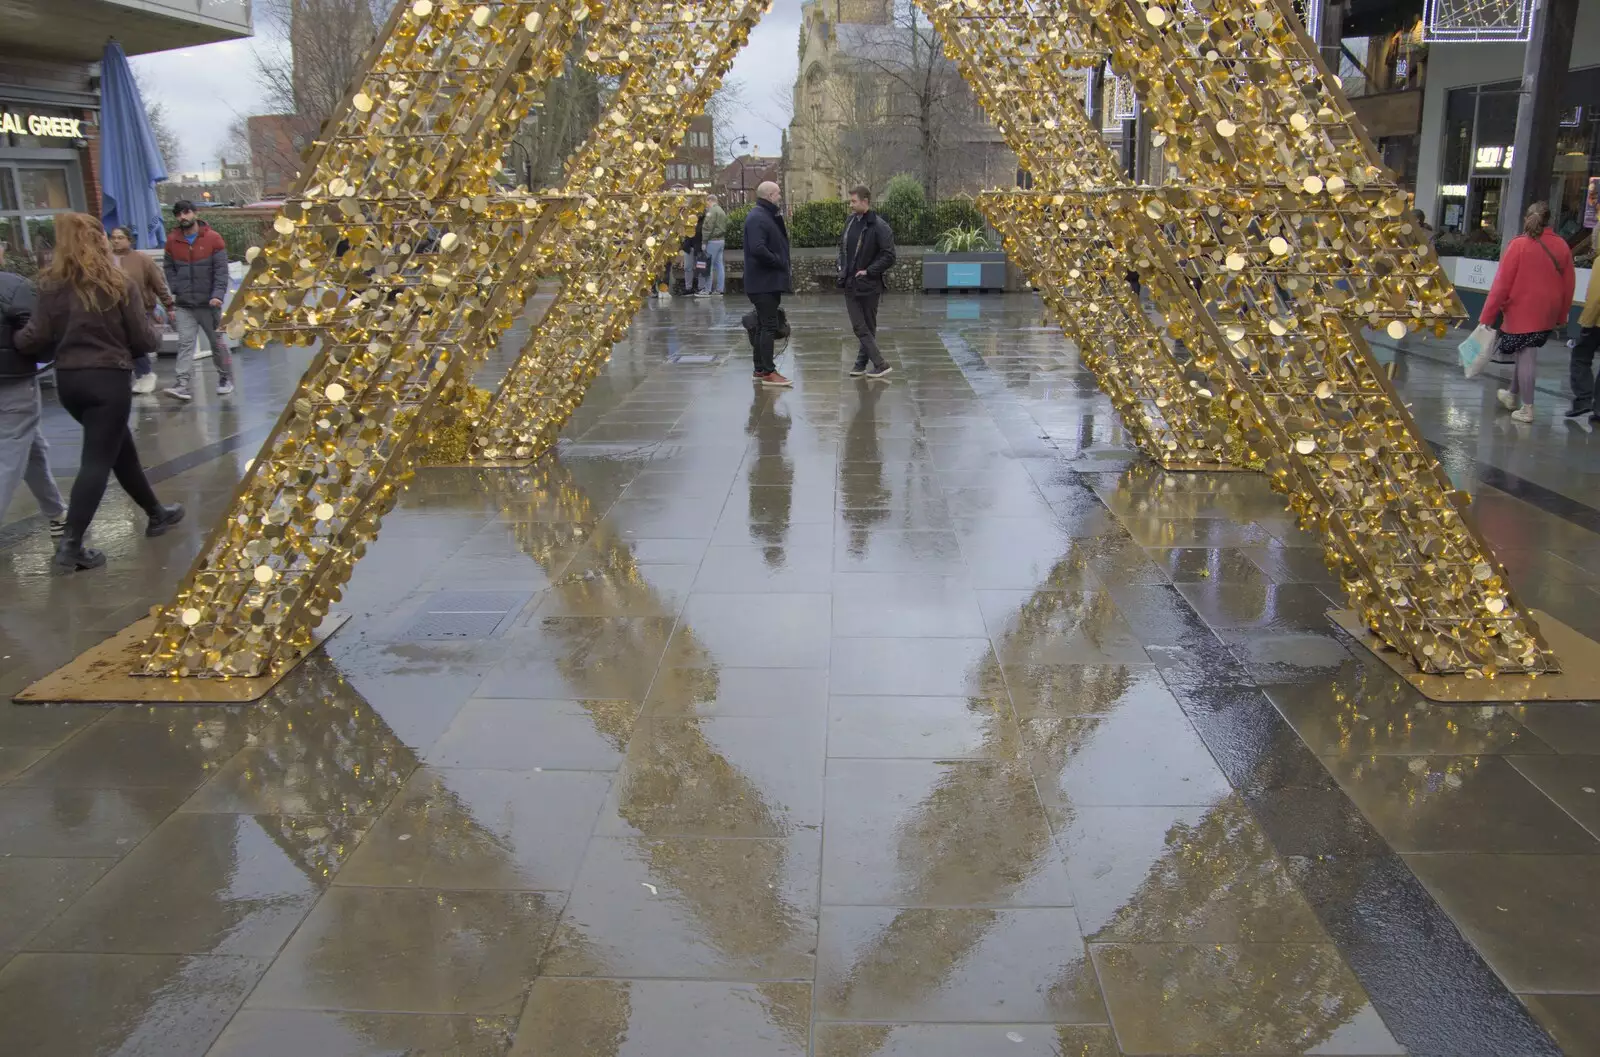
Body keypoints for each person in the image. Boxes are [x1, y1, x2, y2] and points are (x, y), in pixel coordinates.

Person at [15, 212, 184, 571]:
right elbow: (141, 339)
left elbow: (33, 338)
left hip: (70, 383)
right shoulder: (118, 284)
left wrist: (10, 340)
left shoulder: (50, 285)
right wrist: (156, 331)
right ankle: (71, 545)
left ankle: (156, 513)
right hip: (108, 381)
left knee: (119, 449)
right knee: (96, 461)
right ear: (99, 241)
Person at [1481, 201, 1574, 423]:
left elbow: (1501, 284)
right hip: (1548, 310)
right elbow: (1569, 284)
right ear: (1549, 219)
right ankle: (1512, 394)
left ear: (1527, 219)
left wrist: (1486, 317)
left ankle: (1527, 408)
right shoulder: (1561, 245)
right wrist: (1562, 315)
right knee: (1525, 349)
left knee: (1527, 354)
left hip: (1522, 308)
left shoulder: (1518, 245)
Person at [0, 241, 68, 539]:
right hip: (13, 384)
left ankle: (56, 512)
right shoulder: (15, 286)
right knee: (10, 457)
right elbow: (38, 336)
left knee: (31, 449)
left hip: (13, 383)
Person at [162, 200, 234, 400]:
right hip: (185, 303)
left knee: (216, 342)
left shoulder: (213, 239)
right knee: (185, 342)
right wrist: (176, 288)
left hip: (208, 303)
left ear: (195, 213)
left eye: (186, 212)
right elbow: (169, 268)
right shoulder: (172, 241)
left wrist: (217, 295)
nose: (183, 217)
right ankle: (182, 383)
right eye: (178, 214)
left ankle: (225, 377)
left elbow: (221, 271)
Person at [838, 185, 896, 379]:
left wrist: (868, 271)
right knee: (859, 326)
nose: (851, 205)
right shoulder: (850, 221)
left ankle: (870, 364)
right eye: (851, 201)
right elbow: (843, 248)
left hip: (869, 284)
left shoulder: (879, 226)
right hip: (849, 282)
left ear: (865, 201)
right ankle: (875, 363)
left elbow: (889, 255)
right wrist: (841, 267)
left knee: (867, 327)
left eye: (854, 201)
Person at [110, 226, 174, 395]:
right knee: (118, 344)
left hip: (139, 308)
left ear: (129, 240)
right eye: (113, 237)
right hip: (112, 310)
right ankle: (134, 376)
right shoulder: (105, 261)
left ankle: (144, 374)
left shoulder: (142, 259)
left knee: (135, 342)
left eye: (120, 237)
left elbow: (158, 283)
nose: (116, 240)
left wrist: (168, 305)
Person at [743, 181, 792, 387]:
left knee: (763, 325)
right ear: (770, 195)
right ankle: (768, 371)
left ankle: (760, 369)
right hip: (764, 282)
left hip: (765, 281)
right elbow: (758, 248)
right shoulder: (758, 217)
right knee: (768, 326)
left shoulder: (765, 215)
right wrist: (779, 261)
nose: (780, 197)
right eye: (778, 194)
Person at [1566, 264, 1600, 420]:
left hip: (1596, 322)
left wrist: (1587, 322)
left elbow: (1596, 295)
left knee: (1580, 358)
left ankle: (1584, 399)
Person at [702, 194, 729, 296]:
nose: (706, 205)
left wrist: (704, 242)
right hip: (721, 240)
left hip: (712, 241)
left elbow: (707, 228)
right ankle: (719, 289)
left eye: (706, 202)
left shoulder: (712, 212)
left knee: (708, 265)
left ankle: (707, 289)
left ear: (709, 201)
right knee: (719, 265)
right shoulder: (721, 211)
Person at [680, 211, 704, 296]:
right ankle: (688, 288)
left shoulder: (703, 221)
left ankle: (701, 287)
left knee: (700, 268)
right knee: (687, 267)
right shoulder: (688, 219)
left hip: (699, 247)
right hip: (689, 247)